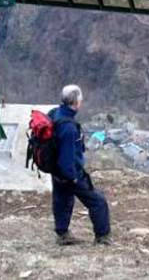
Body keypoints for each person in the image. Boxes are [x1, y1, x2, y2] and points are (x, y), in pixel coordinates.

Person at [50, 84, 111, 246]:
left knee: (62, 200)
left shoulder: (56, 113)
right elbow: (67, 157)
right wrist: (72, 177)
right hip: (68, 172)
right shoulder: (69, 128)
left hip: (55, 169)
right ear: (76, 103)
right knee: (97, 201)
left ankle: (62, 234)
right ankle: (102, 237)